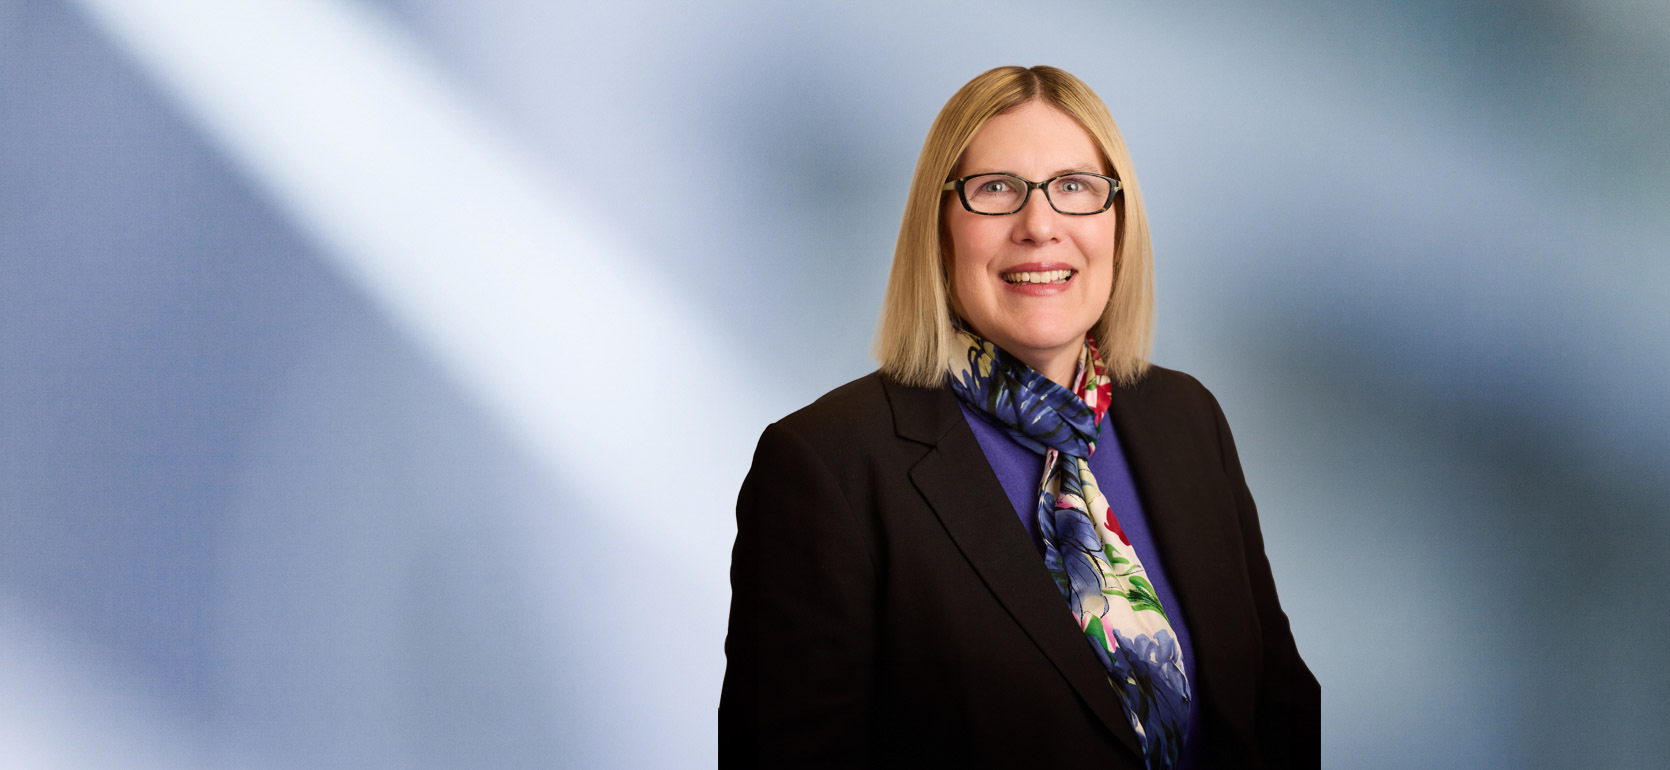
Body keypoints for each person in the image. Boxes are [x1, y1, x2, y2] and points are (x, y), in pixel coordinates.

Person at [719, 65, 1319, 769]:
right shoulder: (828, 468)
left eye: (1074, 188)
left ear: (1118, 226)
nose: (1040, 226)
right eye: (997, 190)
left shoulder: (1188, 420)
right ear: (939, 227)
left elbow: (1279, 708)